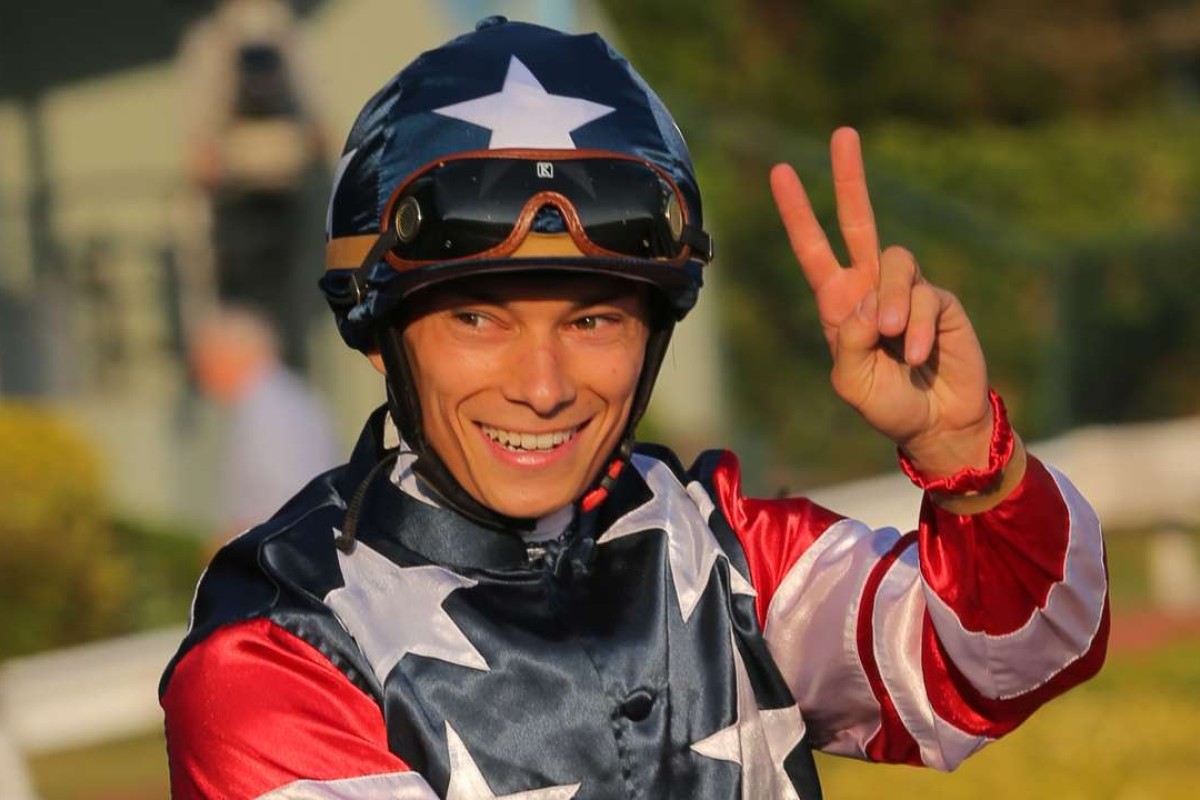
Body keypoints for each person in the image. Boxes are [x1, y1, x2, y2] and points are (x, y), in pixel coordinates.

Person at [160, 17, 1109, 800]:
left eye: (595, 319)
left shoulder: (724, 548)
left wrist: (960, 451)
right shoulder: (278, 650)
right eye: (479, 318)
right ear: (378, 334)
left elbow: (1004, 661)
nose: (543, 386)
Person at [177, 0, 328, 370]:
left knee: (289, 316)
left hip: (287, 203)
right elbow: (200, 153)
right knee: (243, 318)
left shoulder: (289, 35)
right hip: (235, 207)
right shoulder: (209, 42)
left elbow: (318, 131)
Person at [189, 306, 339, 542]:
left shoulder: (269, 409)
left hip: (283, 547)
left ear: (231, 355)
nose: (200, 373)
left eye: (206, 359)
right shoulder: (283, 396)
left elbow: (284, 498)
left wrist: (231, 542)